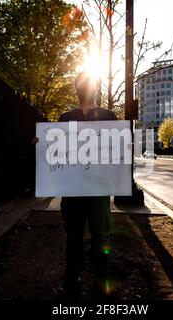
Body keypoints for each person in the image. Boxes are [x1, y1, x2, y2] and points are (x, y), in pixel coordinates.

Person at [58, 72, 117, 298]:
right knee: (74, 235)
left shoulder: (109, 117)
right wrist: (42, 143)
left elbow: (116, 151)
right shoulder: (65, 118)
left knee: (100, 234)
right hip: (75, 190)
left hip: (98, 189)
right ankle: (74, 276)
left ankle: (101, 276)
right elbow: (57, 152)